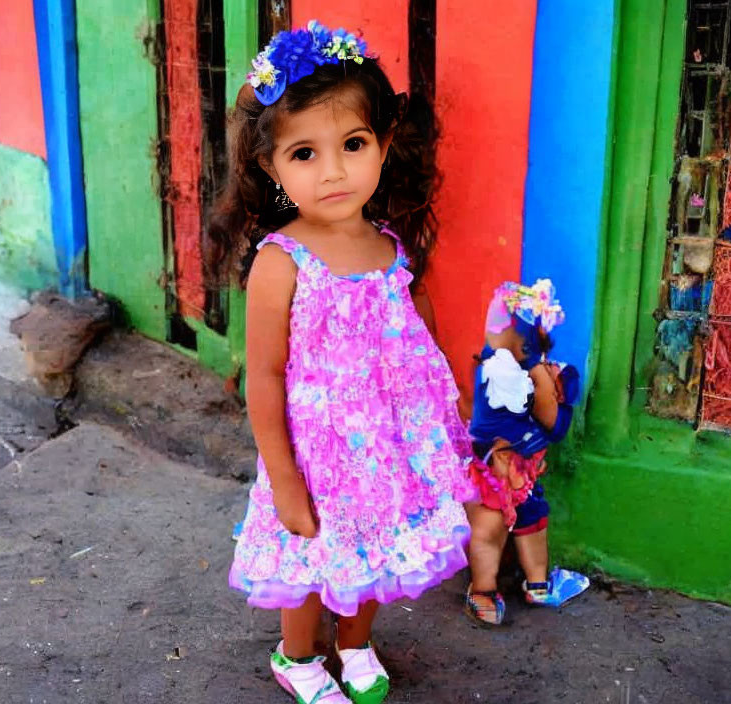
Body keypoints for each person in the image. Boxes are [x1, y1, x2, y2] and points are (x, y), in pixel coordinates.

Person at [210, 21, 477, 704]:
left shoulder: (390, 247)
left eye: (353, 145)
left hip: (388, 450)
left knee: (378, 552)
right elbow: (265, 377)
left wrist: (450, 408)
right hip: (316, 457)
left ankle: (355, 642)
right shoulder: (281, 263)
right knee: (307, 559)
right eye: (305, 153)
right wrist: (284, 479)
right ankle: (298, 655)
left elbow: (414, 336)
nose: (333, 171)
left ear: (383, 147)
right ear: (271, 168)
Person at [463, 280, 589, 625]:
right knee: (493, 527)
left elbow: (553, 422)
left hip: (516, 473)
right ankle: (487, 589)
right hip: (497, 469)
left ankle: (526, 587)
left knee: (525, 523)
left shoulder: (529, 380)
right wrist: (507, 297)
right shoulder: (501, 368)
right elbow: (496, 328)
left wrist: (540, 374)